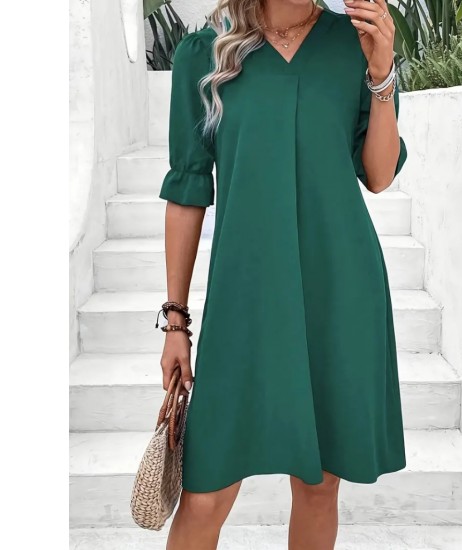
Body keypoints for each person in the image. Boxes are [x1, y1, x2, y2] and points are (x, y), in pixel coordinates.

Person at [158, 1, 407, 548]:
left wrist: (382, 72)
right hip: (244, 297)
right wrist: (175, 319)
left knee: (319, 484)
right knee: (207, 493)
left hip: (339, 288)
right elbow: (187, 190)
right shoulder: (204, 51)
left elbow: (379, 174)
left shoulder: (355, 41)